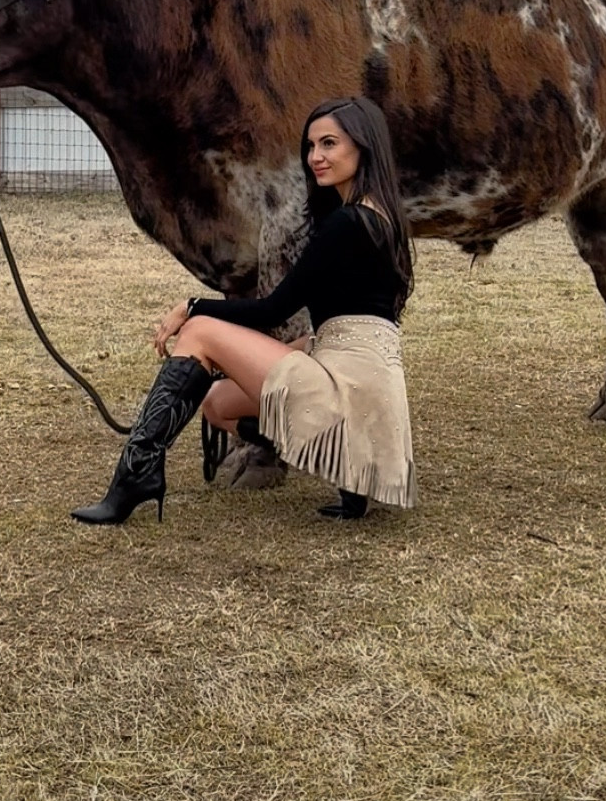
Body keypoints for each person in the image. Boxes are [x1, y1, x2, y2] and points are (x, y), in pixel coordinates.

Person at [71, 95, 417, 527]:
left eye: (329, 144)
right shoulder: (381, 217)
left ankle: (134, 479)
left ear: (363, 146)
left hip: (344, 385)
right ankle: (348, 471)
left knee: (199, 332)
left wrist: (192, 305)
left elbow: (274, 308)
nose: (316, 158)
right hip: (365, 381)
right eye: (310, 146)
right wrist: (309, 345)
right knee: (217, 403)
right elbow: (362, 314)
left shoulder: (346, 224)